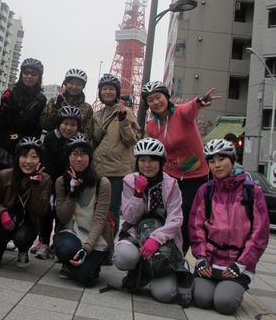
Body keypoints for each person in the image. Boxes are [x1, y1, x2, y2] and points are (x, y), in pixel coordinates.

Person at [189, 139, 270, 315]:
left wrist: (242, 263)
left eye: (222, 159)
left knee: (224, 303)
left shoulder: (251, 192)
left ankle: (230, 288)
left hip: (238, 262)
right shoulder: (206, 190)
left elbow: (260, 233)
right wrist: (201, 257)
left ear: (232, 160)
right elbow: (196, 227)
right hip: (210, 261)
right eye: (212, 161)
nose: (217, 165)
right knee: (201, 299)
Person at [142, 80, 221, 253]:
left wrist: (199, 101)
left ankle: (178, 255)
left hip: (196, 175)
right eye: (150, 100)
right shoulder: (152, 126)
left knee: (186, 215)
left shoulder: (181, 114)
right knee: (167, 214)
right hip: (171, 175)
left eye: (158, 97)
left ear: (166, 96)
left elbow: (191, 107)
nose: (155, 102)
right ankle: (161, 250)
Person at [113, 138, 190, 305]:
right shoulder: (129, 181)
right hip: (135, 233)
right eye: (142, 160)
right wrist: (138, 194)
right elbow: (130, 217)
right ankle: (137, 270)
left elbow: (176, 219)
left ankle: (156, 273)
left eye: (152, 160)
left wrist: (156, 239)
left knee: (165, 294)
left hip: (164, 240)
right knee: (122, 256)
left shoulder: (171, 185)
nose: (147, 165)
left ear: (161, 162)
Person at [0, 58, 47, 248]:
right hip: (4, 148)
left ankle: (6, 233)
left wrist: (29, 149)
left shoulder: (41, 99)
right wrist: (13, 136)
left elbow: (37, 128)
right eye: (26, 72)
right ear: (21, 74)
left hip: (24, 152)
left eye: (33, 73)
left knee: (16, 193)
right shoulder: (10, 93)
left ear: (39, 76)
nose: (29, 76)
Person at [0, 137, 51, 269]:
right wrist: (2, 212)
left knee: (22, 237)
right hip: (7, 218)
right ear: (17, 157)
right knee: (3, 228)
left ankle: (23, 250)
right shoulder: (4, 175)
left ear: (39, 160)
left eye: (34, 157)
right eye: (24, 156)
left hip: (29, 221)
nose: (28, 161)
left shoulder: (45, 179)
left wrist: (36, 186)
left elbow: (41, 211)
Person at [55, 133, 113, 286]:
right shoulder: (61, 182)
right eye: (74, 154)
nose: (79, 159)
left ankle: (86, 264)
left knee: (85, 278)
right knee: (64, 248)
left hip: (95, 238)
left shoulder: (102, 183)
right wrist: (72, 192)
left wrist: (86, 249)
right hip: (72, 233)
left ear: (90, 157)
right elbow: (63, 218)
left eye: (83, 154)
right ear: (68, 157)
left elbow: (100, 219)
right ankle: (71, 262)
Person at [92, 74, 140, 236]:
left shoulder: (125, 111)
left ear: (117, 92)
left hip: (117, 170)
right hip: (98, 168)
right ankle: (96, 243)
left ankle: (109, 247)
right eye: (104, 89)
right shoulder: (97, 114)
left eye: (111, 89)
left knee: (112, 209)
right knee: (97, 208)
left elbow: (132, 139)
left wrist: (124, 122)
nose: (107, 92)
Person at [31, 105, 82, 259]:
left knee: (63, 216)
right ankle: (44, 242)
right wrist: (50, 188)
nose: (68, 128)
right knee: (48, 211)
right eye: (65, 123)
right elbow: (47, 163)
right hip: (51, 180)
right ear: (59, 123)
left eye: (73, 125)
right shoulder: (51, 137)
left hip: (69, 182)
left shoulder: (79, 141)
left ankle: (57, 243)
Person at [40, 68, 93, 139]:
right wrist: (56, 108)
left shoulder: (87, 108)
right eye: (71, 83)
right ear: (65, 84)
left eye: (78, 84)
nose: (74, 87)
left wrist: (75, 142)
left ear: (83, 87)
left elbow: (88, 133)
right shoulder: (55, 101)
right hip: (53, 145)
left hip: (75, 147)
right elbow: (45, 125)